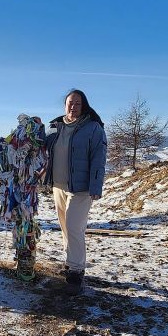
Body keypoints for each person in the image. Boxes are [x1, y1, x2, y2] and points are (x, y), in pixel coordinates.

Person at [43, 89, 107, 295]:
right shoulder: (55, 127)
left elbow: (99, 159)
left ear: (84, 105)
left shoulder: (93, 128)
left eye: (78, 103)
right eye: (70, 102)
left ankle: (77, 270)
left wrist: (96, 186)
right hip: (58, 186)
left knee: (74, 227)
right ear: (65, 105)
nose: (73, 106)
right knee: (64, 226)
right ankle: (70, 263)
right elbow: (41, 147)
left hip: (82, 187)